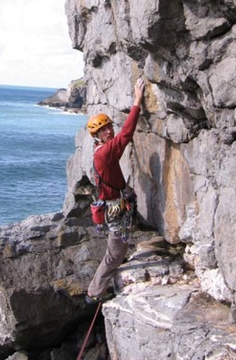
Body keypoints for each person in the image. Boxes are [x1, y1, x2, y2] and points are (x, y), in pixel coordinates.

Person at [85, 76, 145, 303]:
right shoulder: (103, 153)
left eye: (110, 127)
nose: (109, 131)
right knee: (115, 254)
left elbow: (119, 144)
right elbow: (126, 134)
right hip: (114, 210)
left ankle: (99, 286)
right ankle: (95, 291)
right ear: (97, 135)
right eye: (104, 129)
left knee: (119, 247)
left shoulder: (102, 151)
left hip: (115, 206)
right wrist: (137, 102)